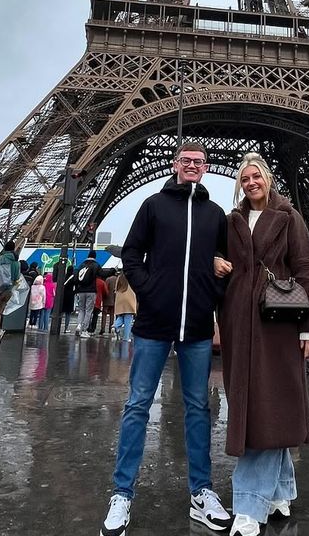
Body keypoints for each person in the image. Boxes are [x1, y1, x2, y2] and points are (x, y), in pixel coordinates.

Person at [100, 142, 231, 536]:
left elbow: (226, 263)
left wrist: (213, 295)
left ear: (206, 169)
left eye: (198, 162)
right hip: (155, 324)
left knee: (198, 408)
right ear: (176, 165)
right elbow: (132, 252)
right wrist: (148, 289)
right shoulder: (154, 205)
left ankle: (201, 492)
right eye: (186, 161)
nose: (192, 166)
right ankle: (122, 493)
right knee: (138, 405)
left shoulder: (215, 214)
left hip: (195, 328)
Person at [214, 152, 309, 536]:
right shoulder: (232, 221)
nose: (250, 183)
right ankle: (280, 491)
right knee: (257, 402)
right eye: (244, 179)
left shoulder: (289, 217)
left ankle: (248, 505)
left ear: (268, 178)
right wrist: (216, 262)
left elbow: (307, 269)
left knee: (267, 405)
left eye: (255, 176)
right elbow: (220, 258)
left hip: (277, 320)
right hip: (238, 318)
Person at [74, 251, 101, 337]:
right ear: (95, 257)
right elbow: (102, 273)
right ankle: (84, 330)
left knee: (81, 310)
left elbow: (76, 277)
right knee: (88, 311)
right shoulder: (95, 265)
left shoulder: (82, 265)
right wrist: (112, 270)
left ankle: (78, 325)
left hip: (81, 291)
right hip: (91, 291)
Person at [113, 273, 137, 341]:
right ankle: (126, 337)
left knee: (121, 316)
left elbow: (115, 288)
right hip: (129, 298)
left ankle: (115, 326)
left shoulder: (119, 277)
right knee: (128, 318)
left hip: (120, 298)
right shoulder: (132, 276)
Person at [101, 270, 118, 335]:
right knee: (112, 314)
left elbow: (105, 289)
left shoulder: (108, 279)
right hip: (114, 299)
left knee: (104, 314)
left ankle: (102, 329)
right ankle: (111, 329)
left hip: (107, 299)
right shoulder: (117, 279)